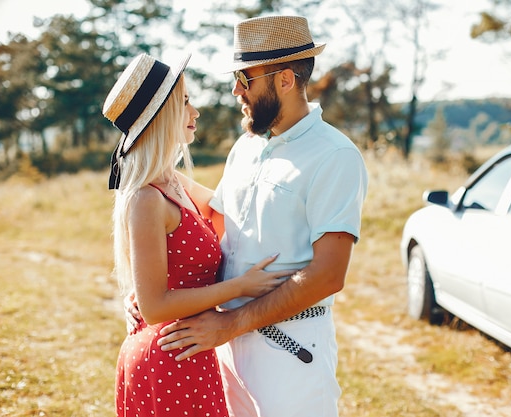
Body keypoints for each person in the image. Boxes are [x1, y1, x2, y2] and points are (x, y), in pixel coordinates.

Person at [128, 15, 368, 417]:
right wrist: (149, 288)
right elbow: (211, 220)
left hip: (290, 349)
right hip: (222, 345)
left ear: (285, 80)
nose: (235, 90)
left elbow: (328, 275)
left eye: (246, 79)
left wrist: (230, 323)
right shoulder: (246, 146)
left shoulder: (335, 156)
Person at [103, 52, 294, 417]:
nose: (195, 112)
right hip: (168, 359)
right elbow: (155, 307)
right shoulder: (146, 197)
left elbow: (234, 208)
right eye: (186, 102)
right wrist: (241, 287)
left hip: (189, 351)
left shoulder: (174, 182)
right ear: (161, 117)